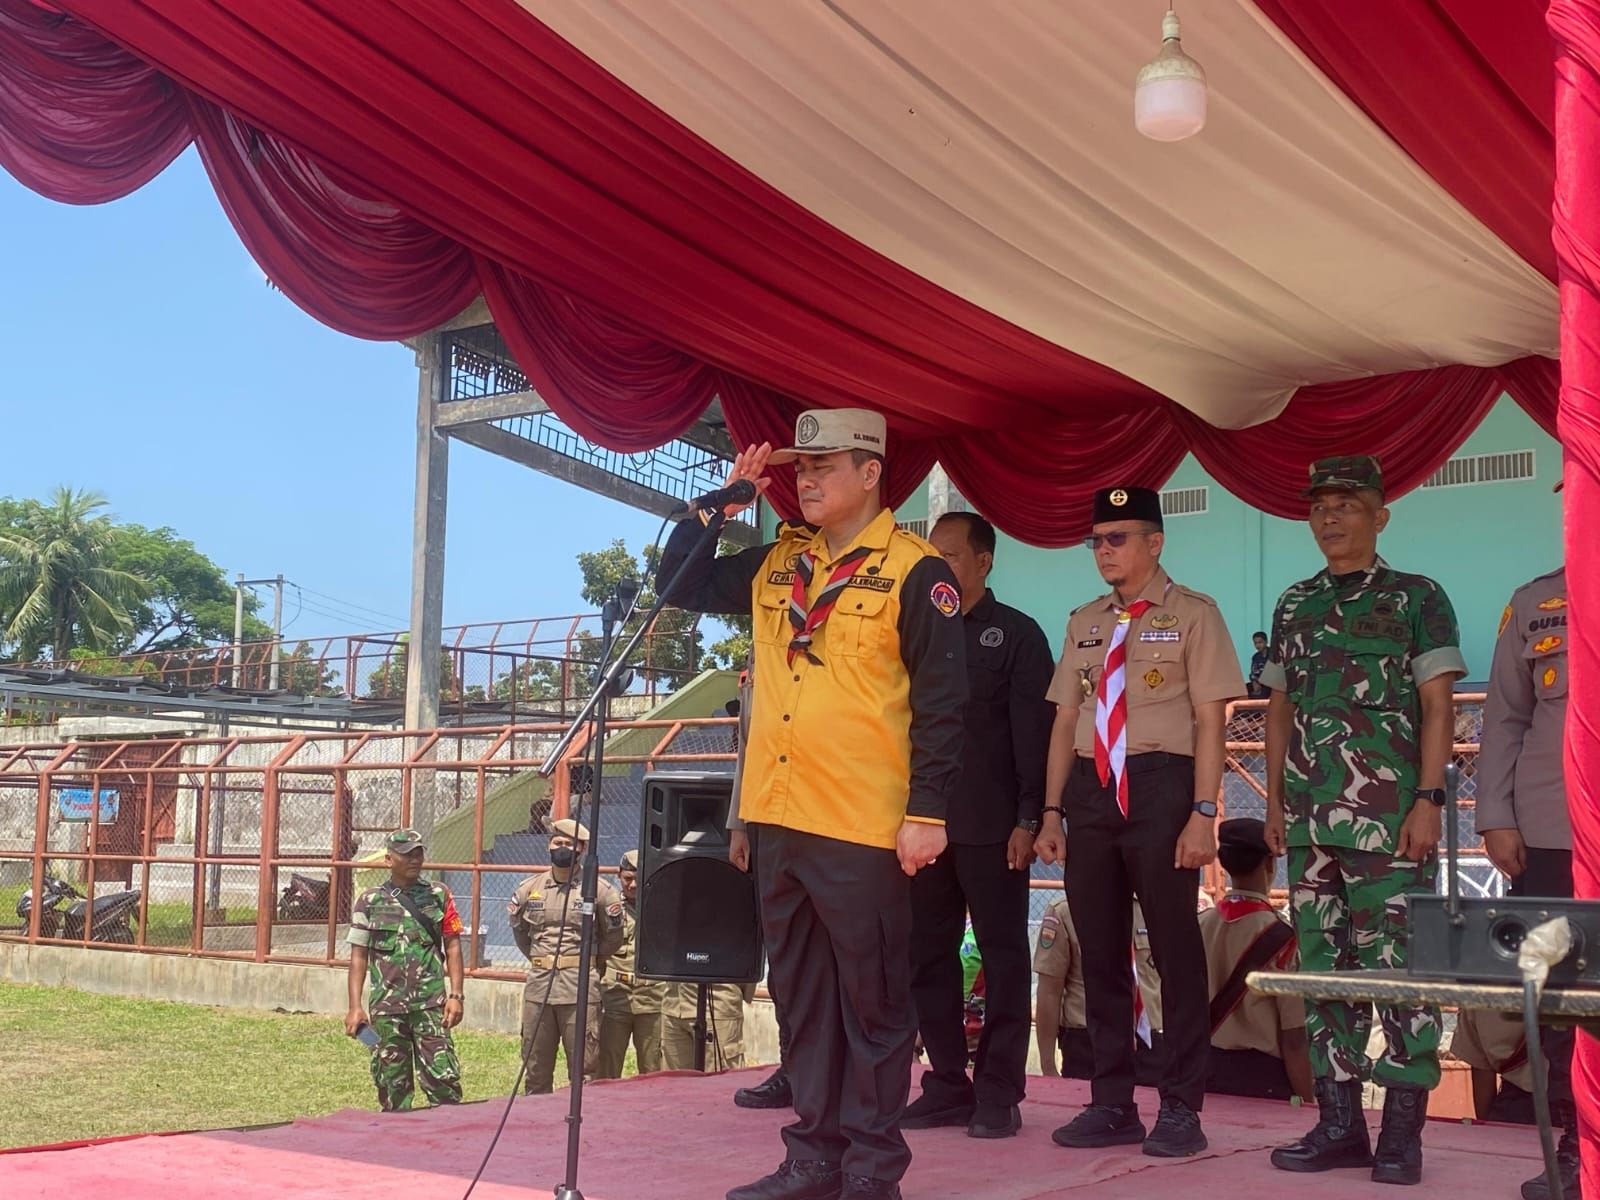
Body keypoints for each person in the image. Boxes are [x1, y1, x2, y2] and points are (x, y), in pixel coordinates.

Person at [658, 408, 966, 1200]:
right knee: (801, 1000)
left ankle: (870, 1168)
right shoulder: (779, 561)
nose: (806, 479)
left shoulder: (916, 571)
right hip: (779, 813)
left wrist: (927, 813)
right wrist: (720, 503)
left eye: (823, 465)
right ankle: (813, 1158)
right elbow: (680, 585)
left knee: (873, 1004)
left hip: (862, 822)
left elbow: (942, 703)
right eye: (800, 467)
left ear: (871, 473)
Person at [1262, 455, 1466, 1186]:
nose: (1330, 517)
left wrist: (1429, 799)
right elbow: (1280, 708)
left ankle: (1402, 1134)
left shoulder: (1417, 597)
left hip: (1390, 823)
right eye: (1319, 505)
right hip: (1311, 823)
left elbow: (1439, 705)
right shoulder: (1295, 603)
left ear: (1380, 516)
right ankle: (1339, 1125)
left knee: (1400, 970)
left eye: (1346, 504)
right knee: (1323, 972)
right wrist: (1276, 803)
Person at [1035, 484, 1244, 1158]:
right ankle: (1111, 1103)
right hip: (1092, 789)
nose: (1104, 550)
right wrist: (1051, 813)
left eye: (1117, 538)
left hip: (1161, 785)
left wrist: (1204, 811)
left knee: (1174, 949)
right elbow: (1065, 719)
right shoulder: (1084, 621)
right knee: (1099, 950)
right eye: (1096, 540)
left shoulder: (1194, 615)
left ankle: (1181, 1106)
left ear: (1155, 543)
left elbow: (1211, 720)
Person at [902, 511, 1053, 1139]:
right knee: (926, 958)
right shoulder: (914, 629)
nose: (939, 566)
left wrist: (1030, 817)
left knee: (1003, 958)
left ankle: (998, 1091)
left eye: (952, 555)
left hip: (994, 827)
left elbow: (1034, 736)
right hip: (923, 825)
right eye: (931, 556)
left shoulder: (1016, 634)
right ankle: (945, 1083)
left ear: (984, 562)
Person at [1478, 545, 1577, 1200]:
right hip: (1551, 832)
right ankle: (1579, 1144)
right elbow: (1506, 716)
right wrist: (1495, 816)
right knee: (1562, 997)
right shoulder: (1535, 602)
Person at [344, 827, 465, 1111]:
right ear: (389, 859)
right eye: (407, 854)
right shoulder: (370, 901)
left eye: (418, 853)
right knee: (391, 1084)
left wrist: (456, 995)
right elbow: (358, 957)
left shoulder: (438, 895)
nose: (415, 859)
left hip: (431, 1006)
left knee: (443, 1080)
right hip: (387, 1010)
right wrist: (355, 1007)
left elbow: (454, 947)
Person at [1199, 818, 1314, 1103]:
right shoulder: (1283, 938)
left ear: (1224, 864)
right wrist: (1308, 1099)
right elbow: (1294, 1038)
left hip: (1203, 1071)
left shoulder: (1199, 925)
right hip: (1263, 1079)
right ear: (1270, 864)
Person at [509, 817, 626, 1094]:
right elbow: (521, 934)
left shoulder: (599, 891)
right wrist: (543, 960)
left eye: (569, 844)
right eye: (557, 842)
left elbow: (613, 938)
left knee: (584, 1070)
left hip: (579, 988)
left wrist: (587, 960)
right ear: (548, 845)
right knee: (536, 1068)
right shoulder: (529, 889)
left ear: (581, 849)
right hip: (539, 987)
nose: (561, 848)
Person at [1034, 893, 1164, 1083]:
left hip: (1149, 1043)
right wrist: (1048, 1067)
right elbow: (1049, 991)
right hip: (1088, 1045)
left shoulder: (1154, 906)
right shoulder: (1067, 910)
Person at [597, 849, 665, 1079]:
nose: (633, 885)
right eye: (627, 878)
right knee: (607, 1065)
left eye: (639, 878)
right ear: (619, 876)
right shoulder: (607, 907)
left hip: (652, 997)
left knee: (653, 1067)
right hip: (615, 995)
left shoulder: (662, 908)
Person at [1451, 1007, 1539, 1125]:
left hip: (1516, 1105)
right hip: (1560, 1095)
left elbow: (1482, 1072)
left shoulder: (1478, 1001)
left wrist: (1490, 1126)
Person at [662, 982, 750, 1070]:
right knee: (674, 1077)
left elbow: (749, 977)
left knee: (719, 1077)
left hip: (717, 1003)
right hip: (674, 1004)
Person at [1247, 631, 1271, 699]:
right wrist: (1254, 682)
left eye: (1260, 642)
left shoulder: (1273, 655)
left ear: (1266, 642)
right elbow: (1253, 673)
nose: (1257, 645)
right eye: (1255, 643)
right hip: (1258, 682)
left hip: (1270, 685)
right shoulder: (1255, 657)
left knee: (1263, 693)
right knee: (1243, 689)